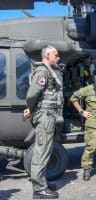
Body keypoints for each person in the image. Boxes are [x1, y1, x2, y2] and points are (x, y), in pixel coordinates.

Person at [23, 45, 62, 199]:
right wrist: (31, 109)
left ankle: (42, 182)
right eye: (56, 55)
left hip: (48, 116)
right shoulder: (43, 71)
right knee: (42, 152)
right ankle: (39, 190)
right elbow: (32, 95)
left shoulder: (48, 71)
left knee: (46, 150)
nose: (58, 57)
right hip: (45, 116)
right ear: (47, 56)